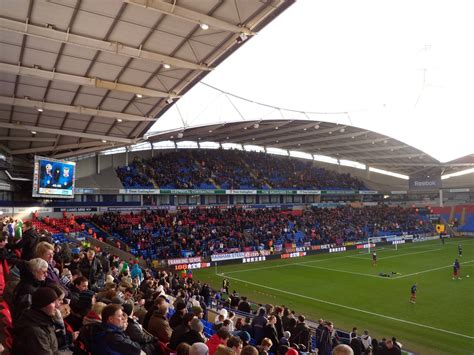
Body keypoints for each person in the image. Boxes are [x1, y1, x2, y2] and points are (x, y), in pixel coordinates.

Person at [12, 287, 60, 354]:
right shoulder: (35, 331)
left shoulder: (42, 319)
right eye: (53, 302)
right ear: (43, 304)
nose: (57, 306)